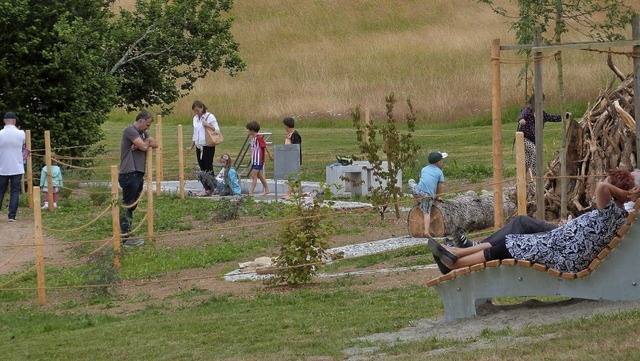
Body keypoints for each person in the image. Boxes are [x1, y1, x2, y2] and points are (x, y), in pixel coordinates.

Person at [429, 169, 640, 275]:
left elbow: (602, 188)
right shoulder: (615, 214)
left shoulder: (611, 212)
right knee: (511, 240)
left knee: (508, 246)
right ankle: (457, 253)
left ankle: (454, 264)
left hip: (564, 254)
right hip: (562, 246)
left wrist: (621, 192)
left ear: (616, 194)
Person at [118, 111, 158, 247]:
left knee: (132, 205)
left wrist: (145, 142)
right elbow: (143, 146)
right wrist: (144, 144)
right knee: (127, 205)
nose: (148, 127)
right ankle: (125, 238)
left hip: (138, 173)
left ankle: (127, 235)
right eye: (147, 124)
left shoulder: (143, 134)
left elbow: (155, 144)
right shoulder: (130, 130)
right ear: (140, 121)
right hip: (129, 172)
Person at [517, 94, 571, 176]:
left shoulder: (542, 114)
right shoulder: (527, 111)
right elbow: (521, 116)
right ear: (533, 102)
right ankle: (536, 176)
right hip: (525, 139)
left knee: (528, 160)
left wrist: (564, 116)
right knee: (535, 152)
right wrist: (521, 120)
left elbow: (552, 117)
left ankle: (521, 177)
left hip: (535, 140)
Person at [408, 151, 447, 237]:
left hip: (418, 191)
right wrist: (438, 196)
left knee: (411, 181)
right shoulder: (439, 172)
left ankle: (418, 200)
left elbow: (422, 179)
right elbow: (439, 186)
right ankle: (426, 231)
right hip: (427, 195)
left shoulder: (424, 169)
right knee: (427, 212)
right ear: (438, 162)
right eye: (442, 160)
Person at [187, 100, 221, 196]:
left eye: (198, 110)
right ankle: (205, 187)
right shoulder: (195, 118)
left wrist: (208, 125)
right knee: (202, 167)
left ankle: (212, 187)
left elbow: (217, 130)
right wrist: (191, 146)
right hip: (199, 145)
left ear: (202, 107)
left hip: (208, 145)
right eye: (195, 111)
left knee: (208, 167)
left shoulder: (209, 116)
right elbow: (195, 133)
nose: (197, 112)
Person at [0, 112, 26, 222]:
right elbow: (23, 145)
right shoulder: (21, 133)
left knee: (1, 191)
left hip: (2, 167)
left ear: (4, 121)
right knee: (14, 192)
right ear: (14, 121)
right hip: (17, 166)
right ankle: (12, 216)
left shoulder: (0, 133)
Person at [246, 121, 273, 196]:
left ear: (252, 130)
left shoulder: (258, 138)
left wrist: (270, 156)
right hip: (255, 160)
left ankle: (250, 192)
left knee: (253, 174)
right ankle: (267, 189)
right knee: (259, 175)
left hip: (259, 160)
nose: (247, 131)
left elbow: (265, 146)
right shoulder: (253, 139)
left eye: (248, 129)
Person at [282, 117, 302, 200]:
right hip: (289, 158)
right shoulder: (289, 135)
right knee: (296, 176)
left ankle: (289, 193)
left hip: (294, 159)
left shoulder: (295, 135)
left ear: (287, 126)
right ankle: (300, 192)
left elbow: (296, 147)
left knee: (292, 176)